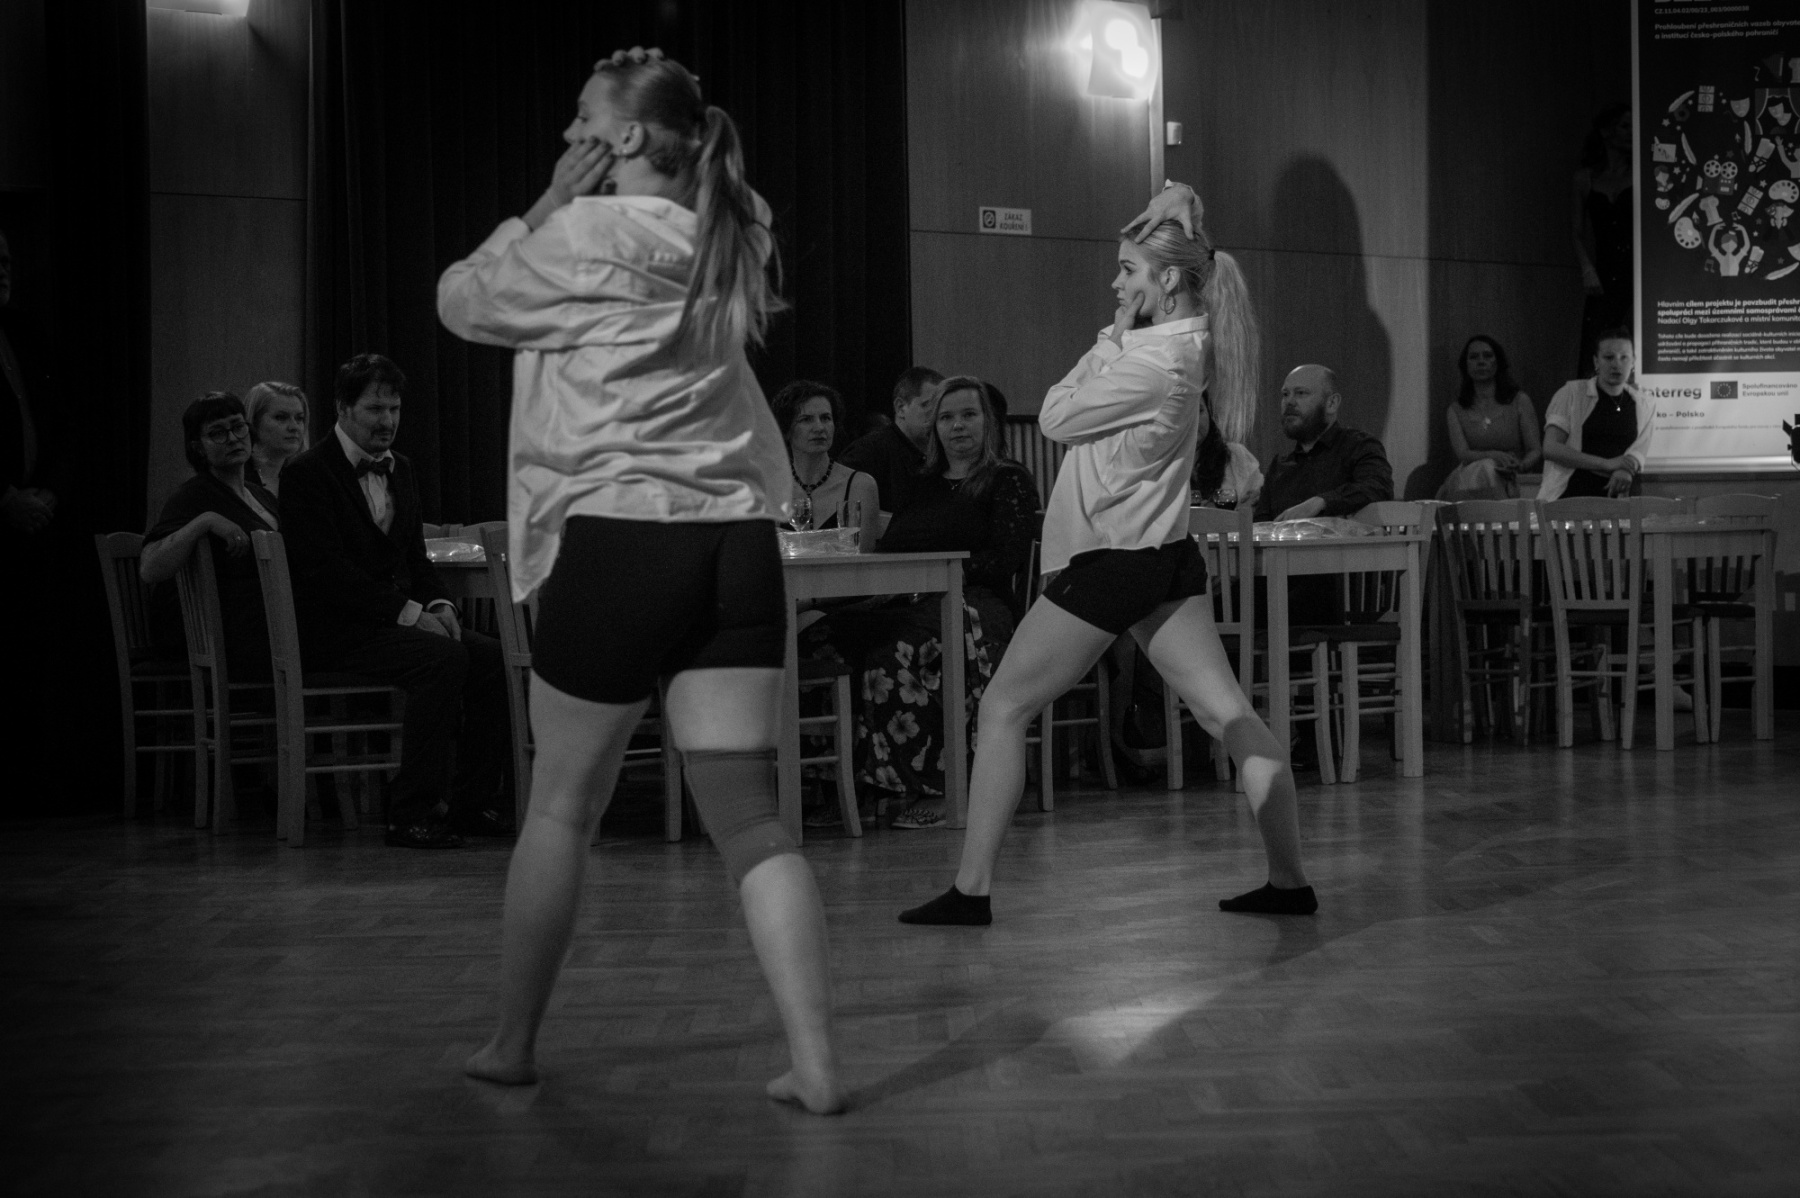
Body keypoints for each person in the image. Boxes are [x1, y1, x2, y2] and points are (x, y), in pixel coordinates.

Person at [436, 45, 845, 1114]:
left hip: (621, 542)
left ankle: (513, 1044)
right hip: (735, 546)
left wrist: (547, 200)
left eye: (585, 116)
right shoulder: (732, 232)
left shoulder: (582, 235)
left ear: (623, 137)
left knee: (561, 809)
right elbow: (725, 193)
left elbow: (464, 302)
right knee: (750, 819)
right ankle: (816, 1064)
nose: (570, 132)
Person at [898, 182, 1315, 927]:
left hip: (1116, 561)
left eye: (1128, 270)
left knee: (1002, 706)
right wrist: (1180, 201)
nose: (1116, 284)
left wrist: (1110, 338)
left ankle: (971, 890)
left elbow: (1055, 417)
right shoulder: (1181, 347)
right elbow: (1184, 213)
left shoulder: (1153, 363)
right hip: (1161, 556)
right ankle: (1290, 883)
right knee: (1227, 714)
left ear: (1169, 280)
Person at [278, 352, 512, 849]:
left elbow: (415, 560)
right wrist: (410, 614)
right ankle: (411, 813)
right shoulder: (306, 473)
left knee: (491, 657)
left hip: (387, 624)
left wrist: (441, 606)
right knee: (442, 659)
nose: (387, 421)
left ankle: (471, 804)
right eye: (374, 409)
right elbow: (325, 574)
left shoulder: (400, 468)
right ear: (343, 409)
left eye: (394, 409)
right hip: (335, 629)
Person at [804, 376, 1039, 831]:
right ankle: (849, 786)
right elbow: (895, 545)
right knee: (823, 637)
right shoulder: (922, 482)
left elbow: (1005, 558)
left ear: (988, 422)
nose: (957, 426)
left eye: (968, 415)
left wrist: (939, 573)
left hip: (976, 604)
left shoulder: (1006, 479)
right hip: (910, 599)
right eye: (946, 417)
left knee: (896, 652)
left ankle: (939, 787)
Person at [140, 392, 281, 679]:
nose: (233, 438)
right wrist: (204, 521)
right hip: (216, 631)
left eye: (238, 427)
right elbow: (150, 568)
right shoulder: (193, 496)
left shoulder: (261, 495)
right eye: (217, 433)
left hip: (260, 620)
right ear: (199, 448)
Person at [1252, 365, 1394, 523]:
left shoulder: (1359, 447)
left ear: (1331, 403)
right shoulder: (1279, 468)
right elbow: (1260, 526)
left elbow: (1378, 487)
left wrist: (1321, 502)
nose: (1289, 402)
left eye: (1301, 393)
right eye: (1285, 394)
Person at [1537, 328, 1652, 500]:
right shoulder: (1572, 393)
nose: (1616, 364)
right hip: (1569, 497)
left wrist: (1625, 469)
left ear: (1633, 361)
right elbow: (1551, 448)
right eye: (1609, 357)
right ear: (1596, 361)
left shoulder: (1644, 403)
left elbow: (1639, 451)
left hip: (1618, 499)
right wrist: (1606, 464)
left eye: (1624, 357)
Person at [769, 380, 879, 545]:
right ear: (786, 430)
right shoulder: (772, 487)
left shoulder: (861, 485)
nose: (819, 427)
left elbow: (861, 555)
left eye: (826, 418)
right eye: (806, 419)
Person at [1437, 335, 1541, 501]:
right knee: (1487, 468)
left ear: (1498, 361)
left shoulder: (1519, 401)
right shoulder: (1456, 409)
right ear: (1465, 365)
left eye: (1487, 356)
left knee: (1493, 471)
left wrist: (1521, 465)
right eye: (1474, 357)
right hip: (1469, 478)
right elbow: (1463, 454)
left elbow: (1535, 450)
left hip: (1510, 474)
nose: (1481, 362)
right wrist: (1493, 456)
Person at [1574, 103, 1633, 372]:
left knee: (1633, 344)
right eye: (1625, 126)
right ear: (1606, 132)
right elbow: (1576, 231)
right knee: (1594, 345)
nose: (1631, 133)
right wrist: (1587, 268)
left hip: (1637, 270)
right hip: (1604, 271)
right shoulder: (1585, 178)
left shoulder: (1641, 174)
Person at [839, 365, 943, 513]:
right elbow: (844, 511)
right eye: (928, 405)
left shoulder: (944, 453)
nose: (937, 414)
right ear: (900, 408)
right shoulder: (868, 453)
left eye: (941, 407)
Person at [1189, 390, 1262, 509]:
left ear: (1209, 413)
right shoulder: (1162, 463)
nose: (1194, 420)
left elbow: (1258, 499)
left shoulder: (1235, 456)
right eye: (1186, 413)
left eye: (1200, 411)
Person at [244, 381, 310, 495]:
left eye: (299, 418)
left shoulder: (305, 480)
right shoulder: (236, 479)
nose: (294, 427)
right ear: (254, 422)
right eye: (281, 417)